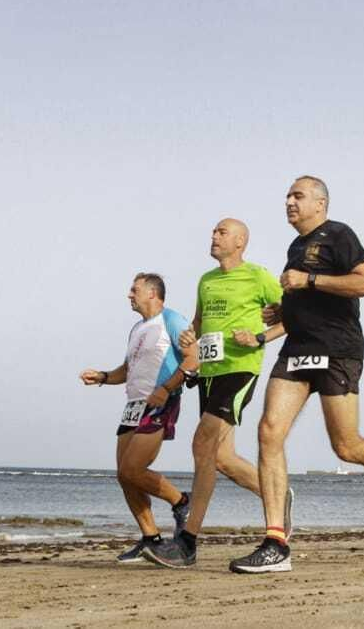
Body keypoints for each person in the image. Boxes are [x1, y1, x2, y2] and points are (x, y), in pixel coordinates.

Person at [230, 176, 364, 575]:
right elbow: (303, 306)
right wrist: (279, 317)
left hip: (337, 350)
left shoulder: (339, 234)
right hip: (298, 348)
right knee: (269, 431)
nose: (289, 201)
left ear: (320, 203)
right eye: (286, 195)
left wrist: (310, 280)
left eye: (297, 195)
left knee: (346, 446)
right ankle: (275, 541)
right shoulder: (295, 247)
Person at [146, 219, 287, 568]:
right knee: (221, 458)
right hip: (209, 373)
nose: (213, 236)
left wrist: (258, 338)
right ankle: (277, 494)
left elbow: (295, 317)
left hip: (240, 370)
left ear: (240, 241)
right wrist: (189, 336)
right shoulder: (206, 280)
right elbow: (199, 321)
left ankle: (187, 542)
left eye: (221, 232)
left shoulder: (258, 276)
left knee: (201, 443)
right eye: (213, 231)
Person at [78, 273, 197, 564]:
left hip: (160, 401)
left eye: (135, 290)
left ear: (153, 293)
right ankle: (151, 539)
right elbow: (127, 369)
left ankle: (182, 502)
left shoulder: (172, 320)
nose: (129, 295)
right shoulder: (137, 329)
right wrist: (104, 377)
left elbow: (193, 358)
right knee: (124, 475)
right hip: (133, 406)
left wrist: (166, 389)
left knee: (133, 469)